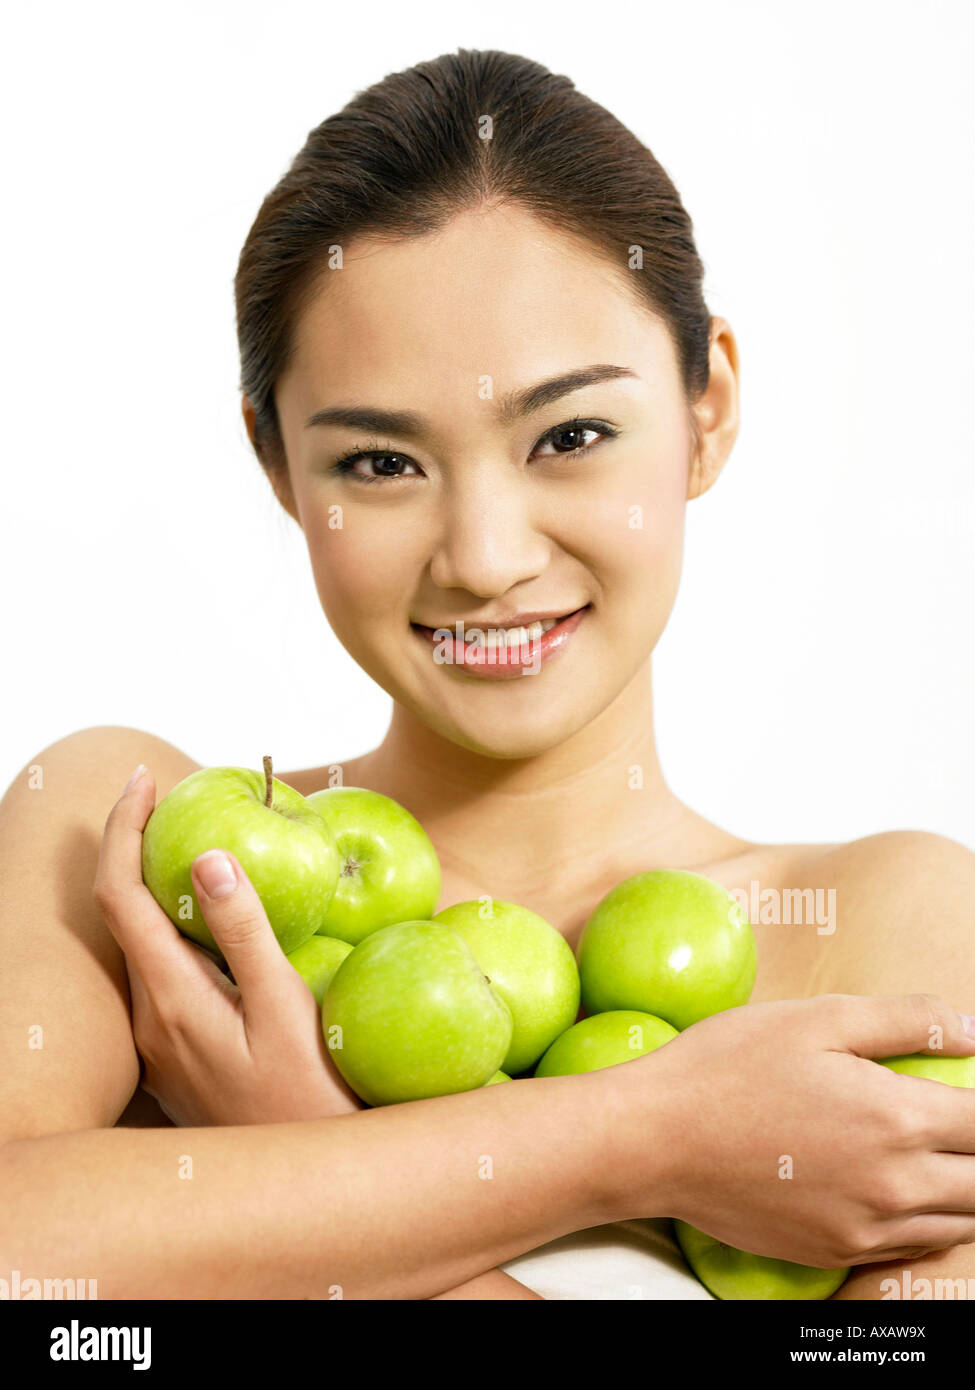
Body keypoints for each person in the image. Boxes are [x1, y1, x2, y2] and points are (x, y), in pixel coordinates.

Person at [3, 47, 975, 1302]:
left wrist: (311, 1146)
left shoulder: (889, 923)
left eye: (570, 435)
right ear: (279, 467)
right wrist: (647, 1138)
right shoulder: (146, 866)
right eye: (378, 464)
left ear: (709, 408)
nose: (485, 558)